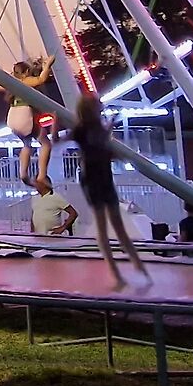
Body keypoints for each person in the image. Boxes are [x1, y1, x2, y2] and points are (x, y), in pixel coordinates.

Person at [68, 98, 145, 281]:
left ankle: (136, 265)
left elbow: (101, 145)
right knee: (103, 226)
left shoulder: (97, 129)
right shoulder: (82, 131)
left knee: (117, 226)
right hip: (94, 179)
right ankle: (116, 271)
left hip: (103, 177)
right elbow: (94, 148)